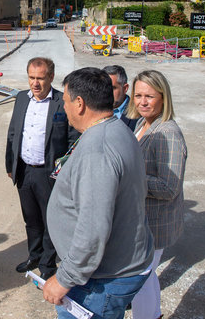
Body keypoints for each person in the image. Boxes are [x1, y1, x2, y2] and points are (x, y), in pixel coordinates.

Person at [43, 67, 154, 319]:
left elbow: (93, 227)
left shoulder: (98, 150)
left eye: (66, 102)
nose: (64, 108)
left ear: (79, 103)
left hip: (102, 279)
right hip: (111, 267)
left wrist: (64, 278)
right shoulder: (115, 129)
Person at [5, 57, 79, 278]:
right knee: (31, 219)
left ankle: (48, 265)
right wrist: (10, 163)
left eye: (40, 78)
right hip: (24, 170)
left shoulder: (61, 102)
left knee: (51, 222)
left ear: (51, 77)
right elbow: (12, 133)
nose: (35, 83)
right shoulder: (21, 99)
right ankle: (34, 256)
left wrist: (64, 172)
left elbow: (72, 139)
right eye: (31, 77)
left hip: (49, 174)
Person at [128, 70, 187, 319]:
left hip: (156, 224)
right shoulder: (143, 123)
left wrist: (131, 178)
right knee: (145, 277)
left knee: (139, 280)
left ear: (163, 98)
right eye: (138, 95)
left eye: (149, 96)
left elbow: (169, 187)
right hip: (142, 221)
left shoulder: (168, 133)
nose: (142, 102)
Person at [102, 65, 137, 131]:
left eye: (112, 88)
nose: (106, 92)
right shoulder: (93, 109)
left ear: (125, 88)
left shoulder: (138, 114)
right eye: (103, 88)